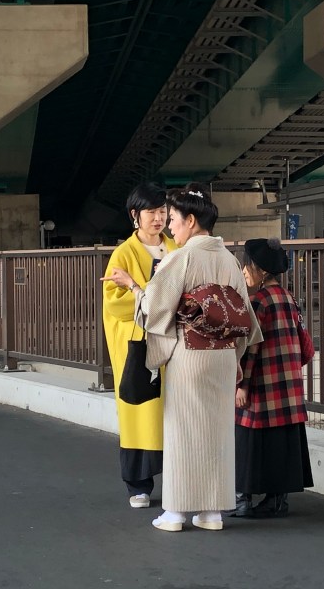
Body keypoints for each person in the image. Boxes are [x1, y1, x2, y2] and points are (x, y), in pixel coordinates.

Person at [101, 183, 262, 532]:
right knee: (217, 434)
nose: (169, 224)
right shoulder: (229, 260)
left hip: (190, 354)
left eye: (172, 218)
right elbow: (244, 319)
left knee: (182, 433)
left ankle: (175, 511)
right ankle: (212, 512)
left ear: (190, 220)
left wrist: (133, 287)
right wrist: (233, 356)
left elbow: (155, 308)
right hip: (221, 358)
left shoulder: (182, 256)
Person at [102, 182, 177, 509]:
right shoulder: (124, 253)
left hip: (173, 344)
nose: (158, 218)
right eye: (152, 212)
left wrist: (142, 291)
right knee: (139, 411)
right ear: (135, 215)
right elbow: (113, 304)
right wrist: (149, 292)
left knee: (173, 414)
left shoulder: (175, 247)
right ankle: (138, 485)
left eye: (163, 211)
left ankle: (176, 480)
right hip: (139, 345)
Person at [232, 237, 314, 518]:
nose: (244, 270)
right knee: (281, 442)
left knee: (246, 440)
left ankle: (242, 500)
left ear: (262, 271)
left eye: (247, 266)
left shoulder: (257, 302)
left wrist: (242, 384)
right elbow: (304, 347)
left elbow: (251, 350)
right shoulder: (289, 298)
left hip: (262, 385)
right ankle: (277, 500)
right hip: (288, 385)